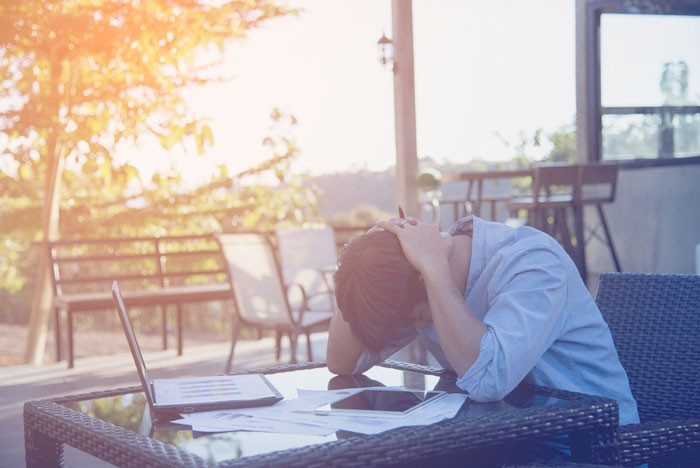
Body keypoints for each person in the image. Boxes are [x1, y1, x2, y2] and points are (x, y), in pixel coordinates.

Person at [327, 214, 639, 427]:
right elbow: (342, 362)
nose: (421, 327)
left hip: (590, 447)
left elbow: (488, 380)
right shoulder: (411, 281)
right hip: (504, 442)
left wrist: (437, 271)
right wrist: (366, 256)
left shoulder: (533, 263)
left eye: (420, 316)